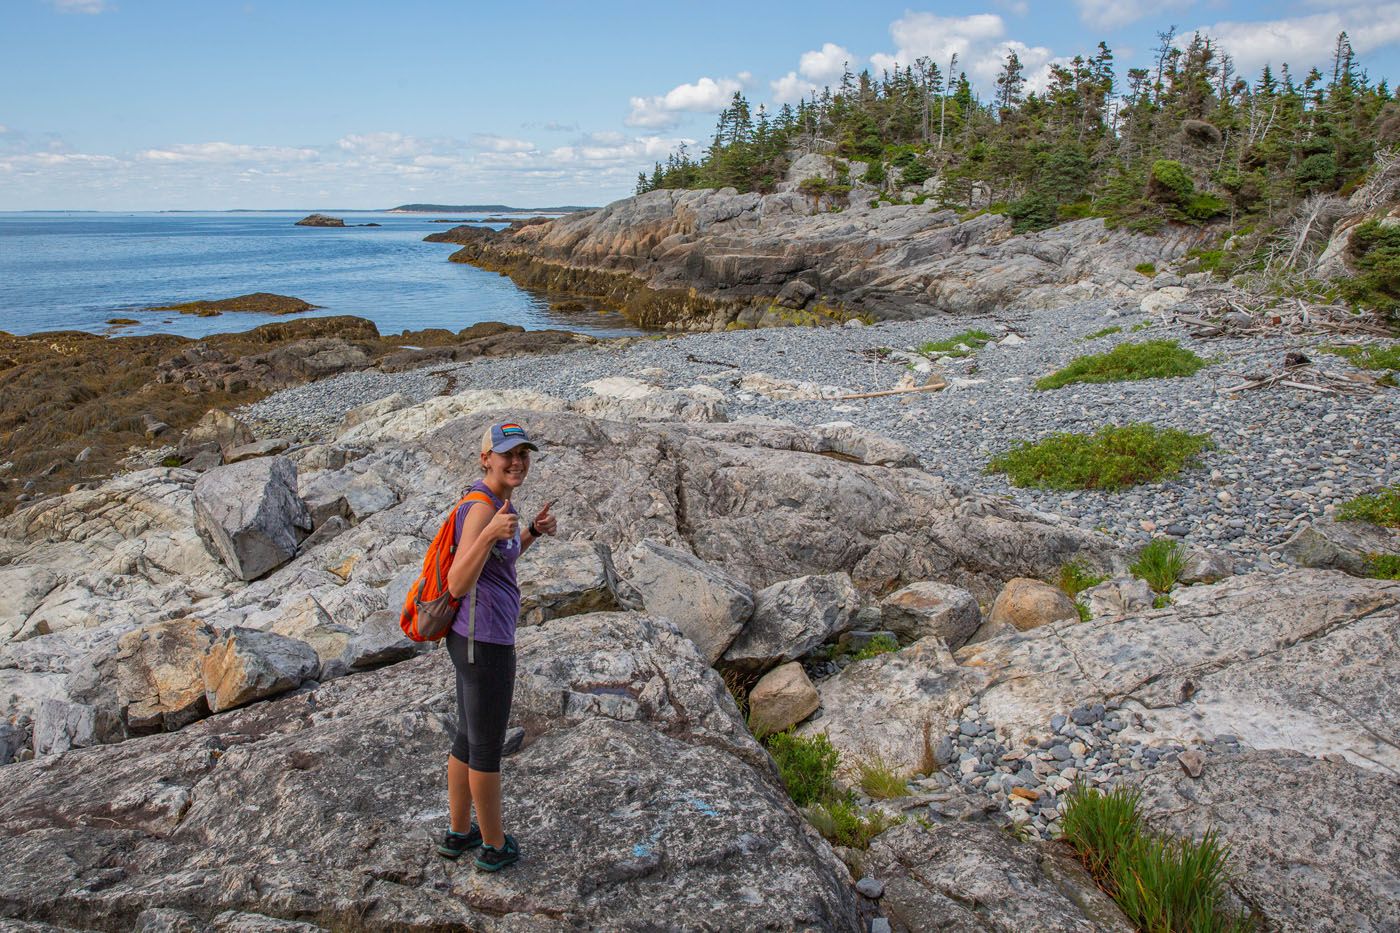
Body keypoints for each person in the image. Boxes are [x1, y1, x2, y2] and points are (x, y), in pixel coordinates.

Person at [436, 421, 556, 871]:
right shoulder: (481, 510)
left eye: (524, 453)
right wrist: (488, 534)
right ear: (486, 458)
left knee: (468, 737)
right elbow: (458, 581)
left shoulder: (494, 502)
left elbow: (495, 566)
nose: (517, 461)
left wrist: (531, 533)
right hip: (482, 641)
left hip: (474, 639)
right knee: (486, 747)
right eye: (507, 453)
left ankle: (458, 832)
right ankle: (493, 845)